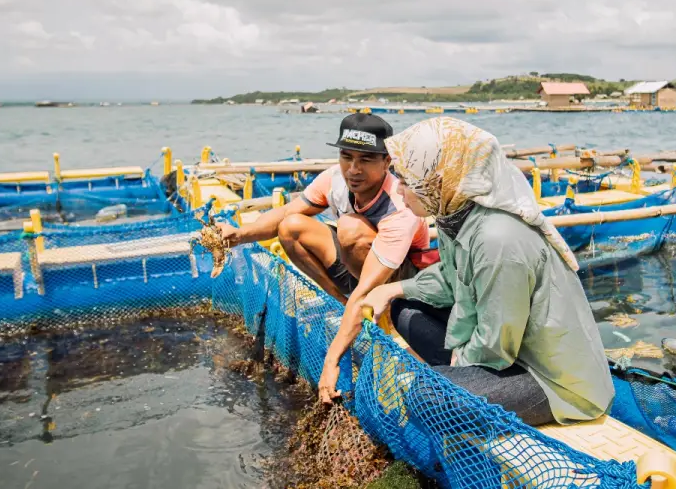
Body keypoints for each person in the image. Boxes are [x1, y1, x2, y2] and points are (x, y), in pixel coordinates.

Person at [318, 117, 614, 427]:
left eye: (407, 181)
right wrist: (392, 289)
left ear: (438, 179)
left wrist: (454, 371)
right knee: (405, 308)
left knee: (426, 395)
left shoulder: (497, 238)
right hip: (509, 351)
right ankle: (461, 377)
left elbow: (495, 344)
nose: (400, 191)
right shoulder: (453, 214)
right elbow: (450, 280)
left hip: (550, 378)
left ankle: (460, 381)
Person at [218, 112, 437, 304]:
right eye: (346, 157)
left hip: (402, 280)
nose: (353, 170)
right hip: (356, 267)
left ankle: (382, 313)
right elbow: (286, 212)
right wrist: (238, 234)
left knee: (351, 227)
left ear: (386, 161)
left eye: (366, 160)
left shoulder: (400, 205)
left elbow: (387, 265)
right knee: (290, 225)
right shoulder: (334, 179)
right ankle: (340, 300)